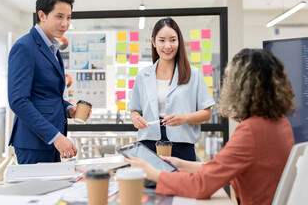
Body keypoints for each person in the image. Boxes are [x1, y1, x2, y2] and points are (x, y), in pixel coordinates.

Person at [126, 49, 295, 204]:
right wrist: (182, 164)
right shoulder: (281, 123)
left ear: (241, 87)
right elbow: (225, 168)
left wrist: (151, 172)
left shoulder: (252, 131)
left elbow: (202, 185)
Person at [8, 0, 85, 164]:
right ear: (42, 15)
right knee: (38, 192)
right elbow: (18, 101)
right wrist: (55, 137)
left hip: (50, 140)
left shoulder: (52, 47)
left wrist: (68, 109)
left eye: (68, 18)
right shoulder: (25, 47)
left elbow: (46, 94)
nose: (65, 24)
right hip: (34, 142)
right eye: (59, 16)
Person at [128, 17, 215, 161]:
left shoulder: (193, 74)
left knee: (183, 183)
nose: (167, 46)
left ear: (179, 42)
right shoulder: (143, 75)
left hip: (182, 145)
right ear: (154, 42)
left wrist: (184, 118)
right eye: (162, 40)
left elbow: (206, 113)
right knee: (150, 184)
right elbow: (135, 110)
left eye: (173, 40)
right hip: (148, 143)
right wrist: (135, 118)